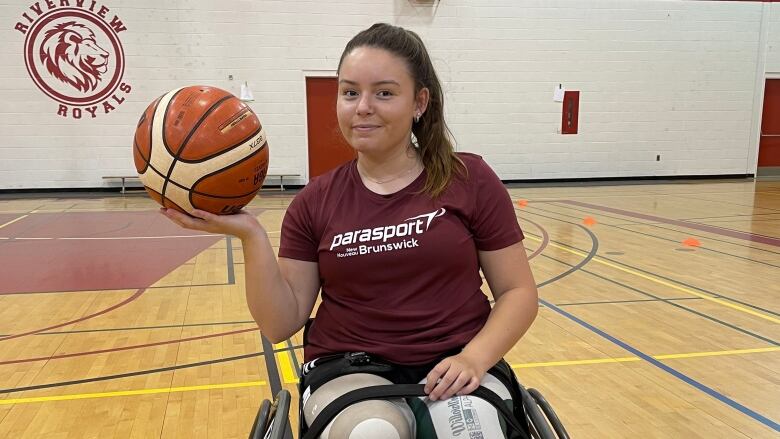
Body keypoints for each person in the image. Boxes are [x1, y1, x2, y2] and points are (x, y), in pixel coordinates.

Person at [162, 23, 538, 439]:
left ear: (420, 102)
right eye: (350, 91)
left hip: (459, 358)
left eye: (384, 92)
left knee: (470, 431)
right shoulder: (314, 202)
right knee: (372, 433)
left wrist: (474, 358)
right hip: (350, 366)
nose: (363, 106)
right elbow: (280, 322)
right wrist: (251, 235)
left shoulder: (470, 179)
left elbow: (518, 292)